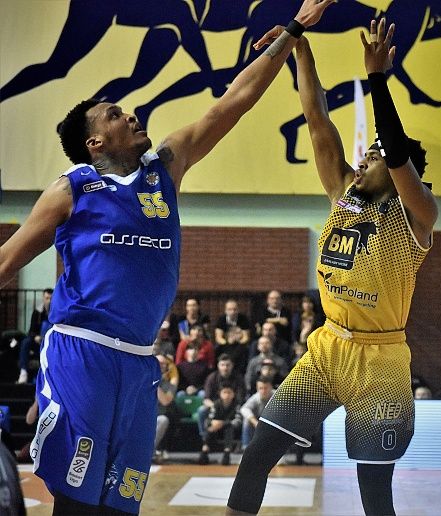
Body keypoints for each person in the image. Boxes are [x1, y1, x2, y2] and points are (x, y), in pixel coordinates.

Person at [0, 2, 334, 512]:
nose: (131, 115)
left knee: (121, 503)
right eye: (115, 114)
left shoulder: (165, 169)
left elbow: (233, 103)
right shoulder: (71, 190)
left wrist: (292, 32)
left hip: (139, 361)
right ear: (95, 141)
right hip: (82, 353)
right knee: (76, 500)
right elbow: (6, 262)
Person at [227, 17, 438, 516]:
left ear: (402, 170)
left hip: (380, 362)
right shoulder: (345, 193)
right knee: (255, 458)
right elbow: (317, 118)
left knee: (374, 496)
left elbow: (395, 148)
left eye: (374, 156)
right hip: (326, 349)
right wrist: (301, 50)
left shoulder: (418, 215)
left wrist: (377, 77)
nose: (362, 161)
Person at [197, 354, 246, 441]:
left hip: (233, 408)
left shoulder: (239, 378)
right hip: (215, 407)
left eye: (228, 365)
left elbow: (241, 398)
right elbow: (206, 399)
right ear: (218, 366)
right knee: (201, 411)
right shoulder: (212, 378)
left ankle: (242, 442)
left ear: (232, 365)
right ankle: (205, 439)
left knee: (245, 412)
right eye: (222, 365)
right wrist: (216, 407)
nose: (225, 368)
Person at [198, 384, 243, 466]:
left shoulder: (237, 405)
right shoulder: (216, 404)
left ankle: (227, 452)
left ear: (233, 394)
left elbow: (238, 421)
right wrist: (212, 423)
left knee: (229, 429)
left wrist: (222, 423)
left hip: (231, 428)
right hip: (216, 429)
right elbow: (209, 420)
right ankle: (204, 450)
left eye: (229, 392)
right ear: (220, 394)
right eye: (224, 392)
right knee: (210, 428)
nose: (227, 395)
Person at [16, 288, 53, 384]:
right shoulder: (37, 312)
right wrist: (35, 337)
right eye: (47, 298)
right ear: (43, 298)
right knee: (26, 342)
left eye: (51, 298)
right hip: (39, 343)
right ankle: (23, 371)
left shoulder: (56, 313)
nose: (49, 301)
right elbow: (31, 331)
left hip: (51, 344)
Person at [154, 354, 179, 463]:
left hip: (157, 415)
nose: (162, 366)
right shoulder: (141, 379)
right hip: (140, 415)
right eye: (159, 363)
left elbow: (165, 401)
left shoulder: (169, 384)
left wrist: (155, 384)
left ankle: (149, 452)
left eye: (164, 364)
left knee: (163, 420)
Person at [240, 377, 276, 450]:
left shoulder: (278, 396)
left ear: (271, 387)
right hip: (259, 422)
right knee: (247, 420)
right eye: (261, 388)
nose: (263, 391)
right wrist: (255, 422)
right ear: (257, 388)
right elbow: (244, 409)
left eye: (266, 388)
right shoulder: (255, 397)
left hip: (274, 422)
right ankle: (246, 447)